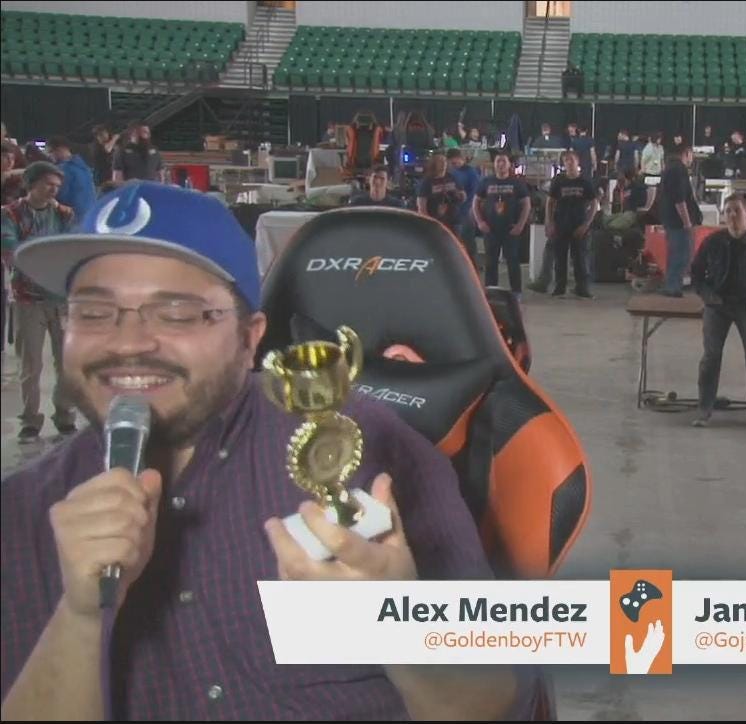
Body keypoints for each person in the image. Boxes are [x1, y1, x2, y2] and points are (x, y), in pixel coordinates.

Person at [0, 181, 527, 720]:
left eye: (176, 313)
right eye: (93, 313)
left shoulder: (373, 455)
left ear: (251, 338)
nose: (127, 342)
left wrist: (401, 636)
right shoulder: (18, 513)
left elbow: (488, 703)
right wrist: (81, 617)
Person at [689, 194, 746, 430]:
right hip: (717, 306)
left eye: (736, 211)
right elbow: (696, 274)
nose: (732, 215)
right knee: (710, 357)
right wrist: (708, 296)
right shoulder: (712, 242)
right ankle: (704, 408)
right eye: (727, 211)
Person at [1, 161, 78, 442]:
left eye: (57, 186)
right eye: (48, 184)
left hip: (61, 300)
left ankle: (65, 416)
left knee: (66, 364)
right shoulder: (10, 214)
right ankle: (30, 421)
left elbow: (70, 250)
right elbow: (11, 250)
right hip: (28, 299)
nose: (53, 190)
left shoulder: (65, 214)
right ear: (31, 184)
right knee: (31, 366)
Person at [474, 150, 531, 297]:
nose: (500, 164)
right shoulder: (486, 182)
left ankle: (516, 292)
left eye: (503, 161)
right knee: (490, 262)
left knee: (513, 261)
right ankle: (491, 292)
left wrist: (520, 225)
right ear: (494, 164)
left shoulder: (517, 183)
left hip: (510, 229)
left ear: (509, 164)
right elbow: (476, 202)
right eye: (498, 161)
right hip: (491, 229)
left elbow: (526, 204)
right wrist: (480, 222)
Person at [545, 150, 600, 299]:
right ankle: (559, 288)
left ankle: (582, 288)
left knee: (580, 259)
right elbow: (550, 202)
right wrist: (549, 222)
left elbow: (594, 203)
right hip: (561, 224)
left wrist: (586, 224)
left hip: (579, 225)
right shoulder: (558, 180)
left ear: (577, 162)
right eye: (566, 160)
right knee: (560, 258)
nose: (569, 163)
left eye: (571, 160)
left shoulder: (585, 181)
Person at [658, 145, 701, 297]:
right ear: (686, 153)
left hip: (670, 219)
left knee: (675, 254)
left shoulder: (669, 168)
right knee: (682, 255)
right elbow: (679, 199)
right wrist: (687, 222)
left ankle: (671, 285)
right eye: (692, 155)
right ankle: (673, 287)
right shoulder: (679, 170)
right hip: (679, 222)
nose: (692, 159)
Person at [447, 148, 483, 269]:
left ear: (461, 159)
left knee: (468, 240)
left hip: (467, 210)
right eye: (451, 164)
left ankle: (474, 266)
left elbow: (476, 193)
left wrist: (471, 209)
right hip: (455, 211)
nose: (454, 165)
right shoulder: (452, 172)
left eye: (455, 163)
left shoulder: (471, 173)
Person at [47, 136, 97, 224]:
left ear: (61, 149)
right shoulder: (84, 167)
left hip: (71, 219)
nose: (49, 155)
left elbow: (56, 195)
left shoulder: (61, 170)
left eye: (51, 152)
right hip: (91, 217)